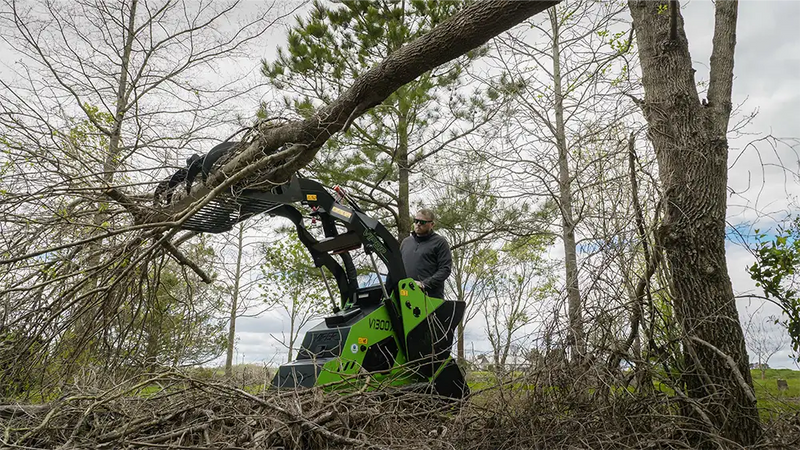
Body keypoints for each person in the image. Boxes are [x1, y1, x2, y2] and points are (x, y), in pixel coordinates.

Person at [400, 208, 452, 299]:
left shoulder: (440, 242)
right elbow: (397, 267)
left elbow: (445, 269)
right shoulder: (406, 242)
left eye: (422, 222)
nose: (418, 224)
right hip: (405, 296)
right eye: (416, 221)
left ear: (432, 224)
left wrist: (424, 284)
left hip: (430, 298)